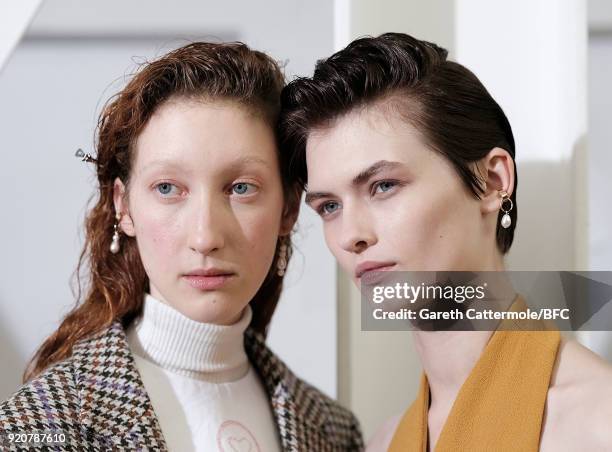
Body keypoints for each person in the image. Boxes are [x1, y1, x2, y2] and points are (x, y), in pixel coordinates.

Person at [0, 41, 363, 452]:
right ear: (125, 208)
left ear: (288, 208)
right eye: (168, 188)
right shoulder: (37, 423)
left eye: (241, 188)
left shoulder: (334, 432)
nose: (205, 237)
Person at [279, 32, 612, 451]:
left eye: (383, 186)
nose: (350, 236)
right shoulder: (383, 443)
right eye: (329, 206)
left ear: (493, 181)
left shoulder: (599, 421)